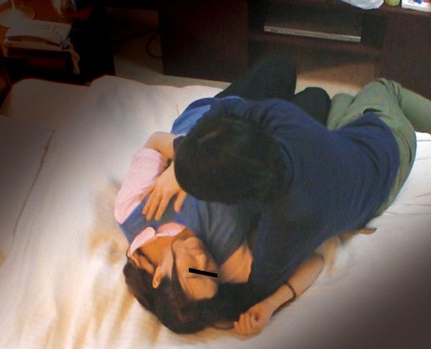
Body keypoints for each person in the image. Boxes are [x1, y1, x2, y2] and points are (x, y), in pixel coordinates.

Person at [160, 78, 431, 309]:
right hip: (354, 151)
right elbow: (227, 109)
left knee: (375, 91)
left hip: (385, 149)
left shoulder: (286, 224)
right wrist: (189, 153)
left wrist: (185, 158)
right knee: (355, 95)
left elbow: (254, 288)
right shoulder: (281, 119)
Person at [117, 56, 330, 335]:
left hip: (217, 120)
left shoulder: (132, 213)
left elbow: (156, 141)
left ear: (159, 276)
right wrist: (270, 304)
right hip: (265, 151)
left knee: (283, 67)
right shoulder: (230, 267)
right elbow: (314, 261)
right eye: (209, 273)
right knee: (318, 98)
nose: (203, 260)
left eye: (192, 271)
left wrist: (182, 166)